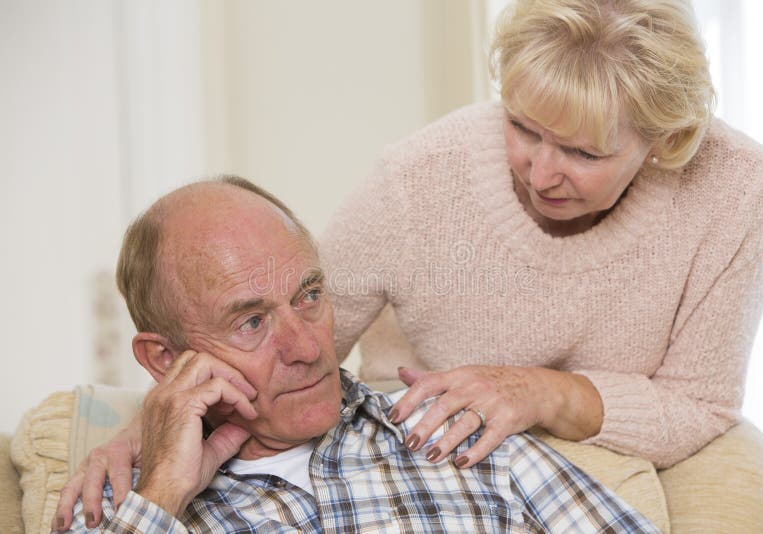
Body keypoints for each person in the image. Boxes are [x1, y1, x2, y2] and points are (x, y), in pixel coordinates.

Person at [55, 0, 763, 528]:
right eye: (522, 127)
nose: (539, 172)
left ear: (663, 142)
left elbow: (703, 405)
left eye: (585, 152)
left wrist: (542, 393)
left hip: (486, 440)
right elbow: (287, 327)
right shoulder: (421, 177)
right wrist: (151, 456)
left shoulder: (732, 185)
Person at [58, 178, 657, 532]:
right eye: (252, 321)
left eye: (310, 295)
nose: (308, 345)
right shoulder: (116, 508)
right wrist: (165, 489)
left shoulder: (463, 437)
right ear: (165, 360)